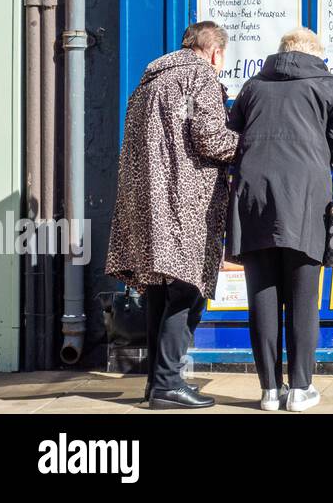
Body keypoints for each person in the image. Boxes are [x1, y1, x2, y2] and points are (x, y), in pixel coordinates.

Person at [106, 21, 238, 410]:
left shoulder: (149, 83)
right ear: (215, 52)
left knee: (161, 291)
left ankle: (156, 382)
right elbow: (210, 137)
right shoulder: (200, 78)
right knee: (187, 289)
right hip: (185, 203)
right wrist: (253, 144)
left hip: (147, 204)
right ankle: (167, 383)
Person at [227, 27, 333, 412]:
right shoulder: (325, 84)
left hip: (253, 197)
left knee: (262, 295)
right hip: (305, 198)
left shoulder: (252, 87)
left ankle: (269, 390)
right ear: (315, 54)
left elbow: (231, 137)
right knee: (303, 296)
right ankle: (300, 389)